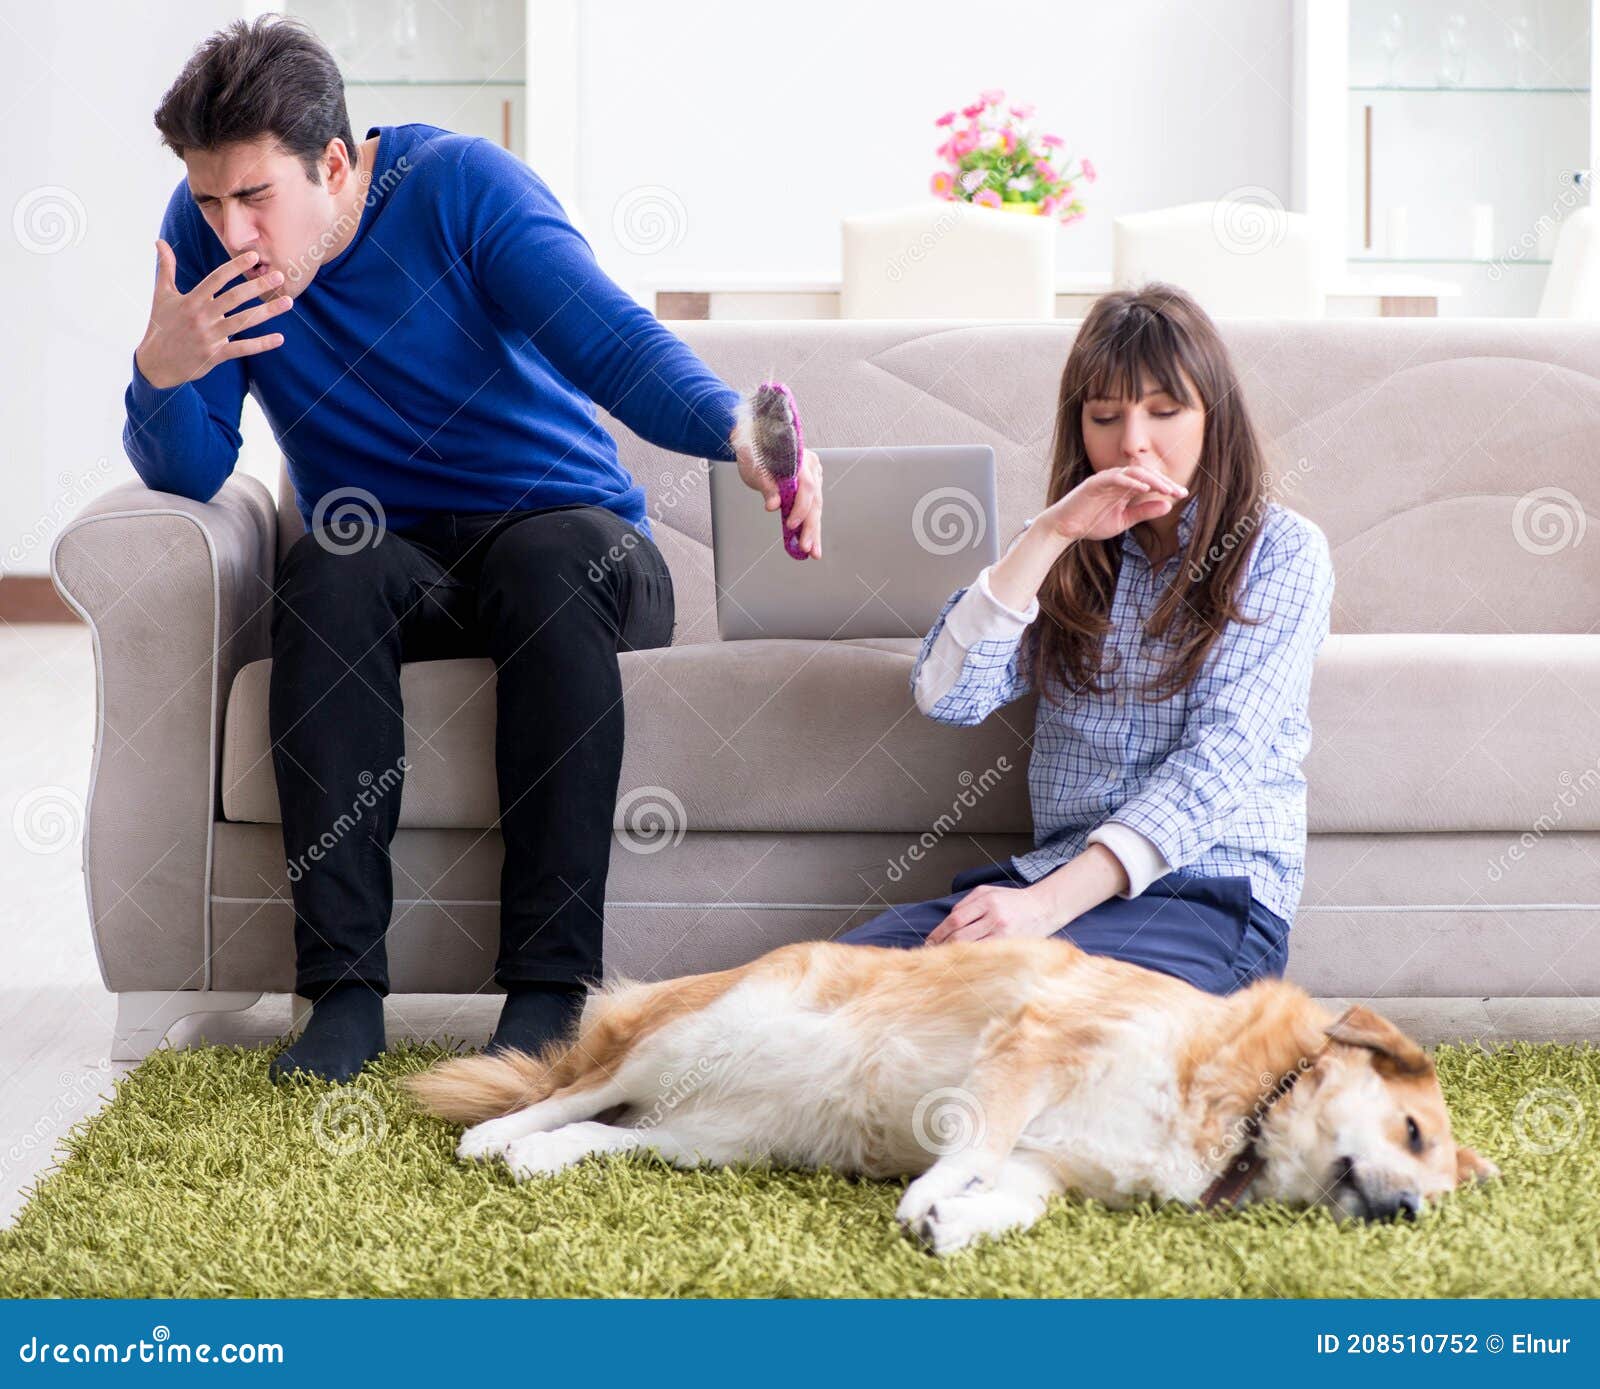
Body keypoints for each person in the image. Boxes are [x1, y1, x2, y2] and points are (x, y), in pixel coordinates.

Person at [122, 16, 822, 1083]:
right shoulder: (205, 236)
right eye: (212, 200)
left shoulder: (460, 187)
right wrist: (161, 371)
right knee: (326, 568)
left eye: (256, 197)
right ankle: (342, 994)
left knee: (548, 566)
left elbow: (610, 341)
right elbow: (188, 473)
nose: (233, 231)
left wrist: (737, 433)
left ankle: (545, 995)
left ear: (339, 164)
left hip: (571, 539)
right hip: (392, 549)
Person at [837, 283, 1333, 996]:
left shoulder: (1282, 550)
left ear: (1212, 419)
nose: (1133, 441)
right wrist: (1048, 535)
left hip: (1208, 895)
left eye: (1165, 412)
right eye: (1106, 417)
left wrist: (1042, 907)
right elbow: (945, 694)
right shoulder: (1068, 549)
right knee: (840, 985)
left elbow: (1217, 767)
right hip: (1057, 886)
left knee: (1022, 1009)